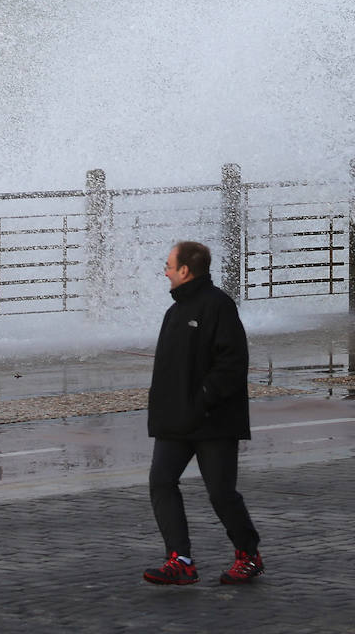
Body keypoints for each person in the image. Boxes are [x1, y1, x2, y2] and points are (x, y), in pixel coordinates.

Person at [143, 241, 264, 586]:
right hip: (175, 422)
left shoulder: (217, 305)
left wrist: (203, 400)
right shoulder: (175, 311)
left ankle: (249, 555)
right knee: (161, 482)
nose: (164, 271)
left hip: (214, 422)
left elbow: (233, 362)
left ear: (185, 270)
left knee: (221, 494)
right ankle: (179, 559)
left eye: (168, 265)